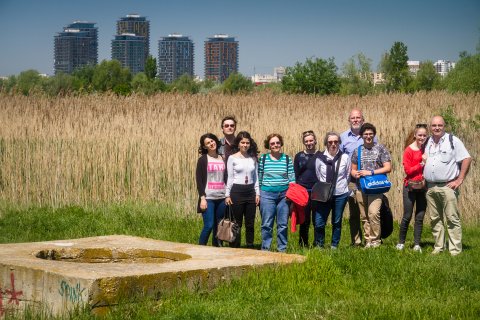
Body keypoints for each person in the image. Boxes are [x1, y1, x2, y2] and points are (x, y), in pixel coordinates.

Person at [423, 116, 472, 256]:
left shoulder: (453, 141)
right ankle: (439, 247)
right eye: (434, 125)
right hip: (431, 187)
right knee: (435, 219)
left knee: (452, 218)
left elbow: (467, 158)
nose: (437, 128)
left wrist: (460, 179)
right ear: (430, 127)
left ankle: (455, 250)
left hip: (448, 187)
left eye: (440, 125)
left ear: (444, 126)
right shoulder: (428, 141)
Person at [351, 123, 392, 248]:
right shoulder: (357, 150)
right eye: (365, 134)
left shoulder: (381, 149)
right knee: (364, 216)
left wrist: (371, 172)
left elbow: (388, 167)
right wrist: (355, 174)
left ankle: (376, 240)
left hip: (375, 187)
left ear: (374, 135)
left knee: (373, 213)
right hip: (361, 187)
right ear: (361, 136)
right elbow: (352, 169)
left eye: (370, 134)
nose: (368, 136)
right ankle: (368, 240)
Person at [340, 109, 377, 246]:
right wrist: (350, 172)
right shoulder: (343, 137)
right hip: (352, 180)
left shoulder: (369, 135)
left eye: (358, 117)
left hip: (370, 180)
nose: (355, 120)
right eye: (353, 118)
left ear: (363, 119)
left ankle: (372, 239)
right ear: (349, 120)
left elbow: (377, 156)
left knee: (371, 211)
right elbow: (340, 159)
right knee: (354, 212)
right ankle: (356, 240)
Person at [259, 133, 295, 252]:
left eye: (277, 143)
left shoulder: (287, 159)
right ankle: (265, 249)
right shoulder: (263, 159)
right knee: (267, 224)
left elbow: (291, 177)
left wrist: (291, 193)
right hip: (267, 195)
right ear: (268, 145)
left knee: (283, 224)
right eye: (272, 143)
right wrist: (258, 194)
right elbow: (259, 177)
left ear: (281, 144)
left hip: (284, 196)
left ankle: (282, 250)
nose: (275, 145)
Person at [314, 132, 350, 249]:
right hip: (324, 195)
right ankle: (319, 245)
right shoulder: (320, 158)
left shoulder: (345, 157)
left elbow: (347, 175)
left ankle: (334, 245)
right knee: (319, 222)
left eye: (336, 142)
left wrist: (342, 187)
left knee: (337, 221)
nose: (333, 144)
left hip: (340, 194)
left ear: (339, 143)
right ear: (326, 143)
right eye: (330, 142)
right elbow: (318, 175)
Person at [396, 124, 428, 252]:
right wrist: (421, 164)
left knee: (420, 216)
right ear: (415, 135)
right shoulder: (408, 150)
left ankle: (416, 244)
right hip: (410, 187)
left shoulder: (426, 149)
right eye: (419, 135)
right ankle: (401, 242)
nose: (422, 137)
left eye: (424, 135)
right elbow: (408, 171)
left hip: (423, 187)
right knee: (407, 215)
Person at [225, 131, 260, 248]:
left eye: (247, 143)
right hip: (236, 191)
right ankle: (234, 247)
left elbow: (256, 178)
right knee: (236, 223)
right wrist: (227, 195)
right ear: (238, 144)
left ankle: (250, 246)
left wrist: (257, 194)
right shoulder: (232, 158)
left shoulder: (253, 159)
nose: (245, 145)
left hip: (250, 191)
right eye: (242, 142)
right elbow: (229, 177)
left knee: (250, 223)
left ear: (250, 144)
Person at [196, 133, 226, 247]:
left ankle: (217, 249)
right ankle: (201, 248)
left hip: (222, 197)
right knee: (208, 225)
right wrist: (202, 198)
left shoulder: (222, 158)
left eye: (212, 141)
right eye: (208, 143)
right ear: (204, 147)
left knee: (219, 226)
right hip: (208, 198)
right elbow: (199, 181)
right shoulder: (203, 160)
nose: (211, 144)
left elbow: (226, 177)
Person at [293, 130, 319, 247]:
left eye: (311, 140)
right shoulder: (299, 156)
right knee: (304, 219)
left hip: (318, 191)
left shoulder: (321, 155)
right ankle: (303, 244)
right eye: (306, 141)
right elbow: (296, 175)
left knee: (318, 220)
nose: (309, 143)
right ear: (304, 142)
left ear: (315, 141)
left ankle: (318, 243)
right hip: (303, 192)